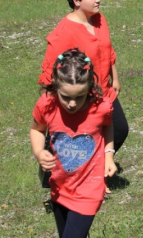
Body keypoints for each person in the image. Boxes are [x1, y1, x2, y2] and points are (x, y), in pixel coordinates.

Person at [39, 0, 129, 157]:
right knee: (77, 140)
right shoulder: (64, 32)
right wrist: (50, 104)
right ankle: (64, 174)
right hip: (80, 95)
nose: (98, 0)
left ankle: (97, 167)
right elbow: (50, 71)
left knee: (119, 130)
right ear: (76, 0)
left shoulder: (99, 19)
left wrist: (115, 79)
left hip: (105, 91)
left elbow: (108, 51)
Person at [31, 49, 116, 238]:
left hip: (89, 189)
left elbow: (108, 127)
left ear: (89, 88)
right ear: (55, 86)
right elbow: (37, 129)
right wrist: (39, 152)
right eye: (66, 97)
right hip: (60, 186)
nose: (72, 103)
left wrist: (109, 155)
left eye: (79, 97)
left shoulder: (100, 107)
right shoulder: (47, 105)